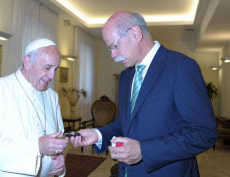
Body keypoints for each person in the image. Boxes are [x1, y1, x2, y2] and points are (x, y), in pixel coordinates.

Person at [70, 11, 218, 177]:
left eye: (114, 46)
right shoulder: (126, 76)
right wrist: (97, 135)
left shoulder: (181, 67)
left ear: (135, 33)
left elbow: (204, 133)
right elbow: (127, 124)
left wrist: (144, 150)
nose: (112, 54)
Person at [0, 38, 69, 177]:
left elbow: (58, 137)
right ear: (28, 62)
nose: (52, 76)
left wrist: (59, 157)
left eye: (55, 69)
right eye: (47, 68)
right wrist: (37, 147)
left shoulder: (52, 96)